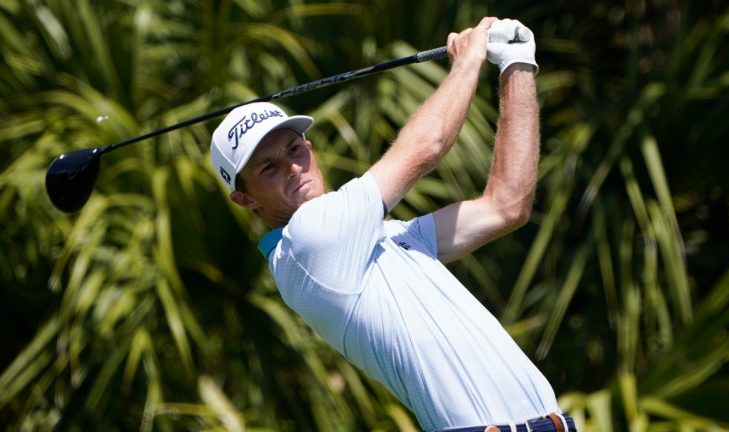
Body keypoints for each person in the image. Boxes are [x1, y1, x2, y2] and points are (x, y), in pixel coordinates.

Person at [210, 16, 574, 432]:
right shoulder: (308, 242)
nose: (293, 167)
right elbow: (427, 146)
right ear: (245, 199)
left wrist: (516, 64)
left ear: (309, 147)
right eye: (268, 167)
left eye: (295, 149)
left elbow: (506, 206)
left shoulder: (388, 237)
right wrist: (468, 61)